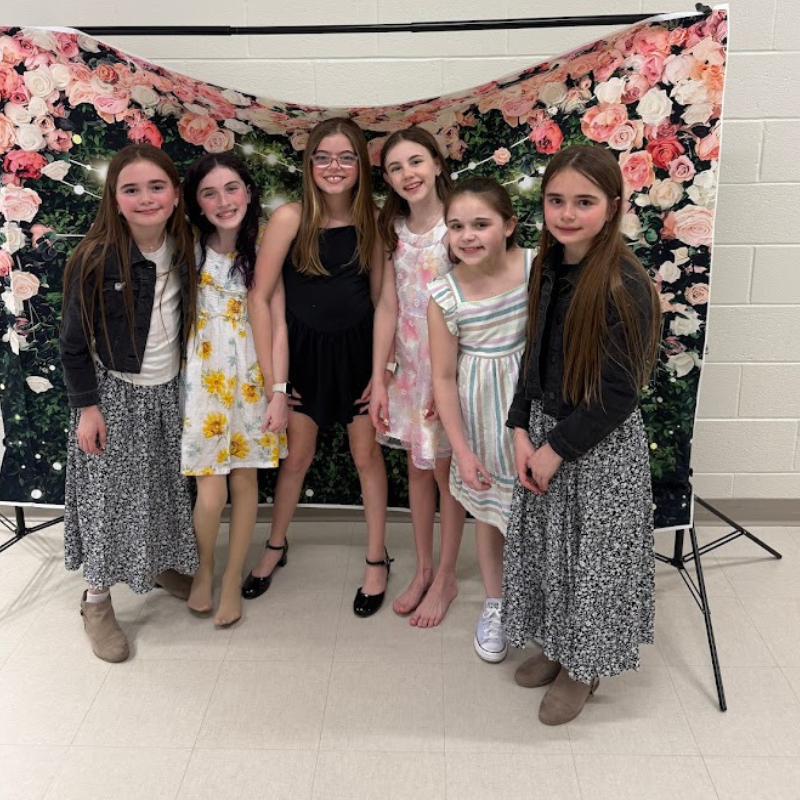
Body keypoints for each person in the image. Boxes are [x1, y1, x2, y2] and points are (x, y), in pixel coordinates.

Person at [503, 144, 660, 725]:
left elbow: (619, 395)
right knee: (551, 550)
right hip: (544, 431)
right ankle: (555, 641)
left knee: (590, 557)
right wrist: (520, 426)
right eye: (556, 200)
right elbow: (532, 354)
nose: (567, 213)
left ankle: (583, 665)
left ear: (613, 206)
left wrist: (557, 449)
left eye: (584, 202)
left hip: (593, 445)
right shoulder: (546, 266)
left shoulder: (624, 285)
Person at [242, 117, 391, 617]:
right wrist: (274, 385)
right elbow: (260, 299)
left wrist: (382, 370)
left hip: (357, 356)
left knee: (367, 457)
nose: (334, 167)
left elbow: (380, 302)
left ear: (360, 167)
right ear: (309, 164)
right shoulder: (290, 218)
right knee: (297, 458)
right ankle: (276, 545)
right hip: (302, 357)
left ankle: (377, 557)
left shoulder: (373, 220)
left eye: (346, 157)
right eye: (323, 157)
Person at [60, 144, 199, 662]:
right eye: (132, 190)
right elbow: (73, 343)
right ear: (115, 200)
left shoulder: (185, 246)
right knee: (108, 499)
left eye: (156, 186)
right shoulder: (94, 257)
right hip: (113, 394)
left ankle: (160, 562)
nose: (146, 198)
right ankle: (96, 600)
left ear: (176, 195)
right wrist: (88, 408)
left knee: (163, 485)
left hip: (168, 389)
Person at [180, 153, 288, 627]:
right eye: (210, 192)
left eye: (232, 189)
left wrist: (279, 390)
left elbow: (279, 324)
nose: (223, 201)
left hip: (250, 379)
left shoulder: (264, 251)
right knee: (209, 491)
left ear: (248, 192)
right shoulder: (187, 248)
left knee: (246, 482)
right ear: (198, 203)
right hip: (202, 382)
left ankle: (231, 582)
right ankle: (204, 569)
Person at [428, 177, 532, 662]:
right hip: (481, 419)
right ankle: (496, 603)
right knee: (489, 515)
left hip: (533, 410)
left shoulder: (536, 268)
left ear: (509, 225)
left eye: (481, 224)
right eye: (456, 226)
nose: (467, 236)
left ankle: (543, 602)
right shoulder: (444, 296)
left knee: (537, 510)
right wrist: (463, 451)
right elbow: (444, 379)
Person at [370, 128, 466, 628]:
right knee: (417, 470)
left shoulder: (458, 227)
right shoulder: (394, 231)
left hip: (447, 372)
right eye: (396, 168)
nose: (408, 174)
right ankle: (424, 567)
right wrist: (379, 376)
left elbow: (473, 305)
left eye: (416, 162)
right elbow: (388, 304)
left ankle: (447, 575)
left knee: (447, 476)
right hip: (406, 369)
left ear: (435, 163)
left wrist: (447, 379)